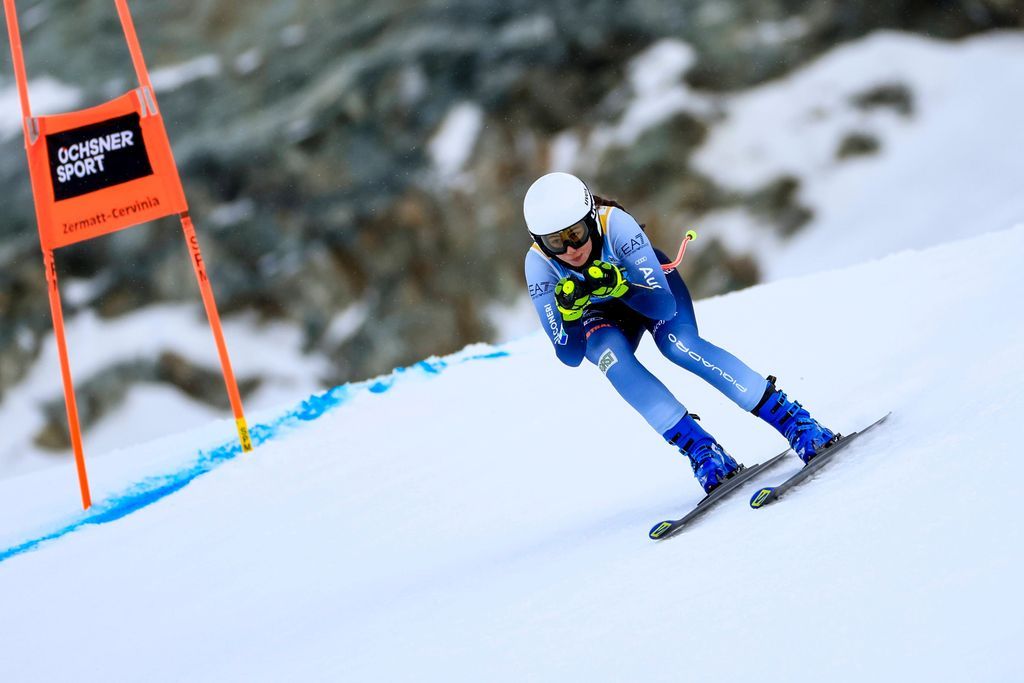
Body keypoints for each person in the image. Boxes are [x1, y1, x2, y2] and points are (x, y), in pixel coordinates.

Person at [523, 172, 838, 494]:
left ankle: (795, 421)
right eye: (556, 242)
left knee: (678, 345)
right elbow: (570, 355)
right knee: (611, 360)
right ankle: (703, 451)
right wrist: (571, 316)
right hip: (599, 315)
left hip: (648, 291)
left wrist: (622, 285)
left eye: (576, 233)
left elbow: (660, 305)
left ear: (590, 219)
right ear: (541, 242)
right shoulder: (538, 265)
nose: (571, 249)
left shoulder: (616, 225)